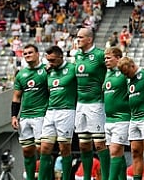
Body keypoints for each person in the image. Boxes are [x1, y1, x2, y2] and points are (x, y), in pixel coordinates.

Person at [74, 27, 109, 180]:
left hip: (97, 104)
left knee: (100, 144)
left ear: (89, 39)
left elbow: (116, 68)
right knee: (83, 144)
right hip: (80, 104)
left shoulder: (100, 55)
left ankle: (107, 177)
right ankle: (87, 177)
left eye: (81, 37)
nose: (78, 39)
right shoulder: (77, 56)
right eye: (77, 37)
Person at [117, 57, 144, 180]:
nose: (126, 75)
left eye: (127, 72)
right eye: (123, 73)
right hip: (134, 118)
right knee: (135, 152)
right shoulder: (128, 79)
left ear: (132, 66)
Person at [39, 45, 76, 180]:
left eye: (53, 60)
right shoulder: (48, 71)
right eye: (48, 60)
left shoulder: (72, 68)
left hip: (66, 111)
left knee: (64, 148)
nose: (51, 63)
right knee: (44, 149)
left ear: (61, 57)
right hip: (50, 111)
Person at [12, 44, 49, 180]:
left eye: (30, 53)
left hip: (41, 115)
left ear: (38, 54)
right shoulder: (21, 74)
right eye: (25, 53)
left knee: (42, 150)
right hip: (25, 117)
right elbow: (16, 97)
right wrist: (14, 116)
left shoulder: (46, 70)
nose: (27, 55)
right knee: (27, 151)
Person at [103, 47, 130, 180]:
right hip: (108, 119)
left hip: (122, 118)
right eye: (105, 58)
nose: (106, 61)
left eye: (109, 58)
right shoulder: (107, 73)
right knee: (117, 153)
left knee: (115, 151)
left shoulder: (125, 73)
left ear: (118, 58)